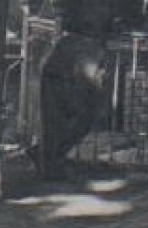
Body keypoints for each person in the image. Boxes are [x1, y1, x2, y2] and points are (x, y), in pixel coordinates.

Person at [37, 31, 108, 179]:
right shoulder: (90, 46)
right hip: (60, 81)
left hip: (58, 78)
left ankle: (46, 158)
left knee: (57, 126)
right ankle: (51, 165)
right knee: (66, 124)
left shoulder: (75, 42)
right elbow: (87, 77)